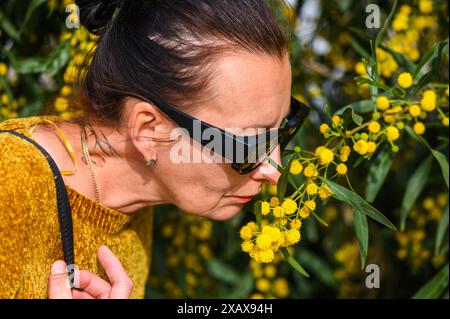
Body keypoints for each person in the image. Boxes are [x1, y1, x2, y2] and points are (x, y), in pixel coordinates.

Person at [0, 0, 308, 298]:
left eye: (285, 128)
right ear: (148, 130)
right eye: (249, 144)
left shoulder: (135, 200)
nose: (274, 169)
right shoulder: (10, 184)